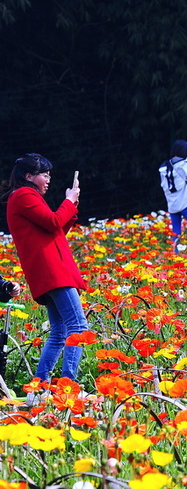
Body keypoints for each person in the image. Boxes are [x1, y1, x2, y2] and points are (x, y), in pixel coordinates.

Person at [4, 153, 89, 391]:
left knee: (60, 330)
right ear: (29, 176)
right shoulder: (23, 195)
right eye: (44, 174)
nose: (48, 179)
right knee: (78, 327)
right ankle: (67, 385)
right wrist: (69, 201)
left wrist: (72, 204)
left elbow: (56, 229)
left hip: (49, 272)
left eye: (49, 174)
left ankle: (39, 386)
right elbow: (53, 222)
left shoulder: (23, 197)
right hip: (53, 271)